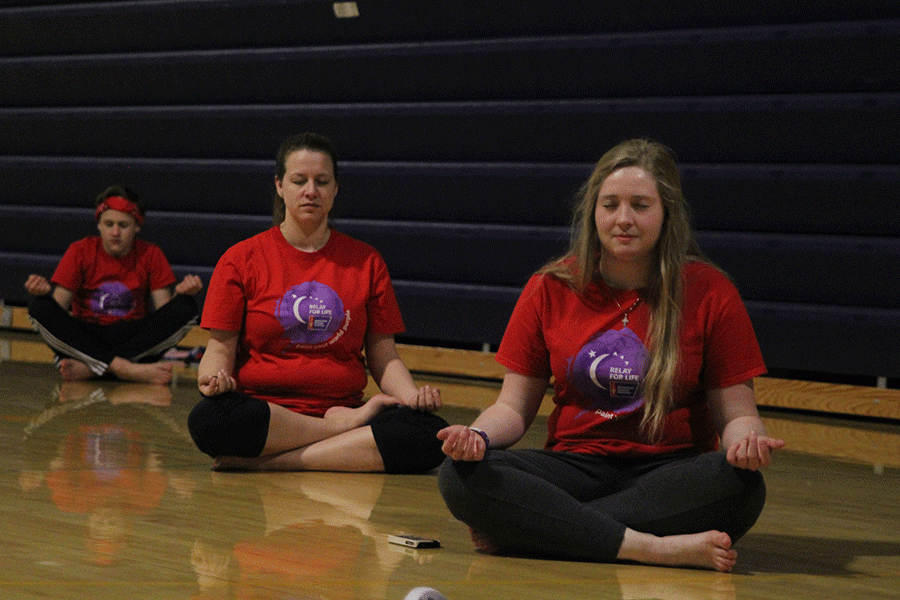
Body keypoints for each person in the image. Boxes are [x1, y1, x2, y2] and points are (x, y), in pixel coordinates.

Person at [437, 139, 785, 573]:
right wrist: (477, 438)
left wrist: (745, 445)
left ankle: (542, 531)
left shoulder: (710, 290)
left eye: (640, 205)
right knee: (458, 476)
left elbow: (737, 414)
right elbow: (512, 406)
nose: (623, 219)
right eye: (610, 204)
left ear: (667, 213)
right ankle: (652, 547)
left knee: (740, 488)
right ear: (593, 212)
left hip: (668, 472)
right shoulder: (550, 286)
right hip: (576, 467)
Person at [187, 132, 448, 473]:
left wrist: (412, 396)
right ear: (280, 186)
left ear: (335, 190)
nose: (311, 191)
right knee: (210, 419)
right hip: (269, 413)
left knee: (428, 433)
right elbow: (219, 350)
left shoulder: (366, 261)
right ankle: (338, 436)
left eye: (322, 181)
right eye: (299, 180)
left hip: (339, 406)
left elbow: (385, 356)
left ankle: (276, 463)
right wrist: (212, 379)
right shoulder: (241, 258)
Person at [25, 185, 202, 385]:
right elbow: (57, 309)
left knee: (186, 307)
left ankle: (94, 367)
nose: (115, 232)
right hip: (88, 334)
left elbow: (164, 314)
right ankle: (125, 368)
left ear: (137, 226)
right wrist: (43, 292)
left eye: (123, 225)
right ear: (99, 225)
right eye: (108, 224)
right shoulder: (80, 250)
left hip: (131, 336)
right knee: (39, 306)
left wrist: (180, 294)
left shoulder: (150, 254)